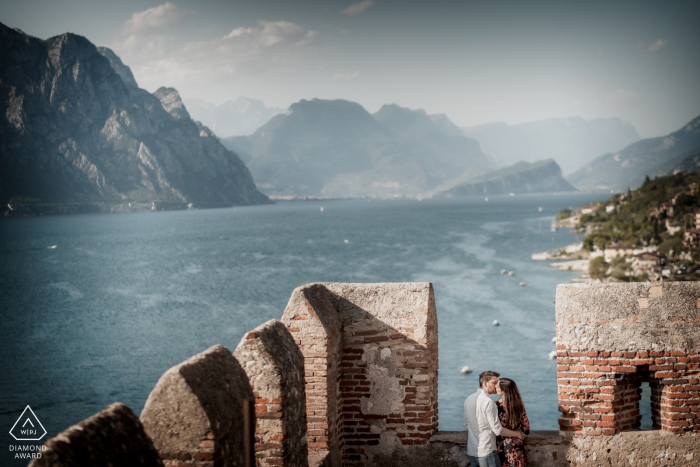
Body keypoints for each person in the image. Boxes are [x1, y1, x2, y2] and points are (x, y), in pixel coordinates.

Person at [464, 371, 526, 467]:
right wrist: (517, 433)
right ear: (485, 383)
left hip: (473, 451)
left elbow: (466, 425)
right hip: (487, 451)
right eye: (494, 383)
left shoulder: (468, 399)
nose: (496, 386)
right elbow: (498, 430)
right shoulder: (489, 402)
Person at [495, 378, 530, 467]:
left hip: (501, 447)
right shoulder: (519, 406)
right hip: (516, 447)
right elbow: (526, 429)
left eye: (497, 386)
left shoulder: (495, 406)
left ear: (503, 390)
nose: (495, 386)